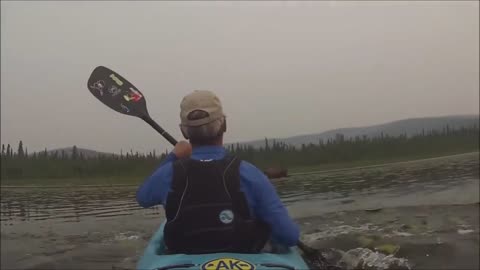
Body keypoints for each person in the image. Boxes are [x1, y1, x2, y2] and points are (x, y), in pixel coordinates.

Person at [136, 90, 299, 254]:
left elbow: (143, 198)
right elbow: (289, 236)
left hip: (182, 256)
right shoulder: (250, 174)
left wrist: (174, 156)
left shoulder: (168, 173)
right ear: (224, 125)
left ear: (184, 131)